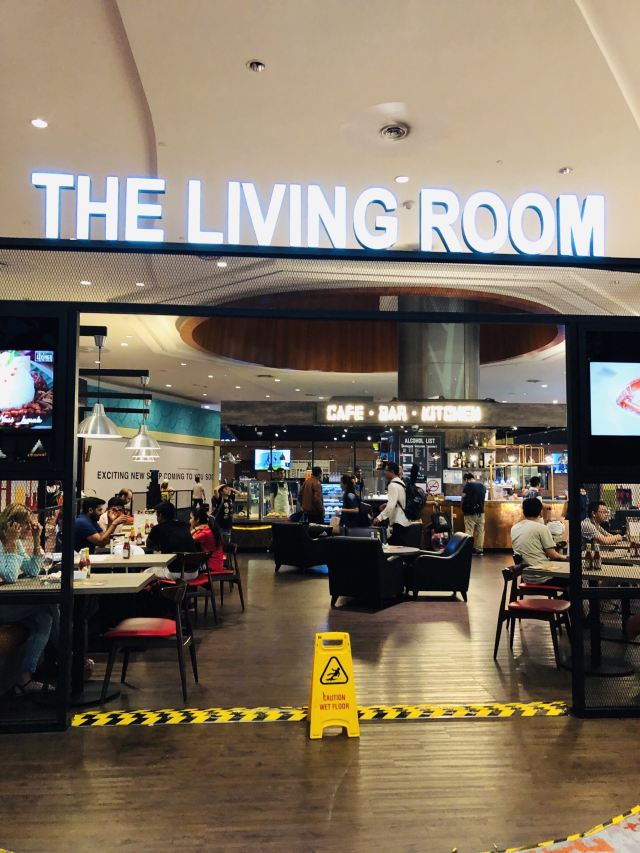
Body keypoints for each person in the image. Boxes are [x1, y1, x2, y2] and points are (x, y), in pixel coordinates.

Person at [0, 503, 57, 693]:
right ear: (12, 524)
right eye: (26, 523)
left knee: (44, 618)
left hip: (8, 602)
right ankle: (66, 656)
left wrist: (36, 539)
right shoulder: (5, 543)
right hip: (3, 605)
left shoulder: (16, 543)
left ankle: (24, 679)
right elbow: (10, 575)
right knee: (50, 605)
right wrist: (10, 545)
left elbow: (33, 570)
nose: (30, 526)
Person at [510, 497, 568, 583]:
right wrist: (567, 558)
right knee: (574, 576)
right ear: (540, 512)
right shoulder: (542, 528)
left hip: (526, 576)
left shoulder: (514, 528)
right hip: (543, 576)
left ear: (523, 511)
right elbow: (553, 555)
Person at [373, 462, 414, 544]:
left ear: (392, 472)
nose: (384, 473)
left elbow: (391, 505)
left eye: (386, 470)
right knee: (400, 546)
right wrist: (386, 504)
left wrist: (379, 517)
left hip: (398, 521)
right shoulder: (401, 483)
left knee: (394, 547)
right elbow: (398, 501)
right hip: (404, 521)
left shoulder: (392, 485)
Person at [190, 505, 225, 573]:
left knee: (188, 569)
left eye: (191, 518)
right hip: (217, 564)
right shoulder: (208, 528)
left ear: (197, 520)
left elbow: (188, 540)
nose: (189, 521)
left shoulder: (204, 532)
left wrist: (194, 529)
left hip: (211, 565)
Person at [461, 472, 486, 556]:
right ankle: (479, 550)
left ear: (466, 479)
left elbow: (463, 497)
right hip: (481, 512)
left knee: (469, 531)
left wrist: (462, 508)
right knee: (480, 531)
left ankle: (468, 549)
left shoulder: (468, 486)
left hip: (469, 512)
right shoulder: (482, 486)